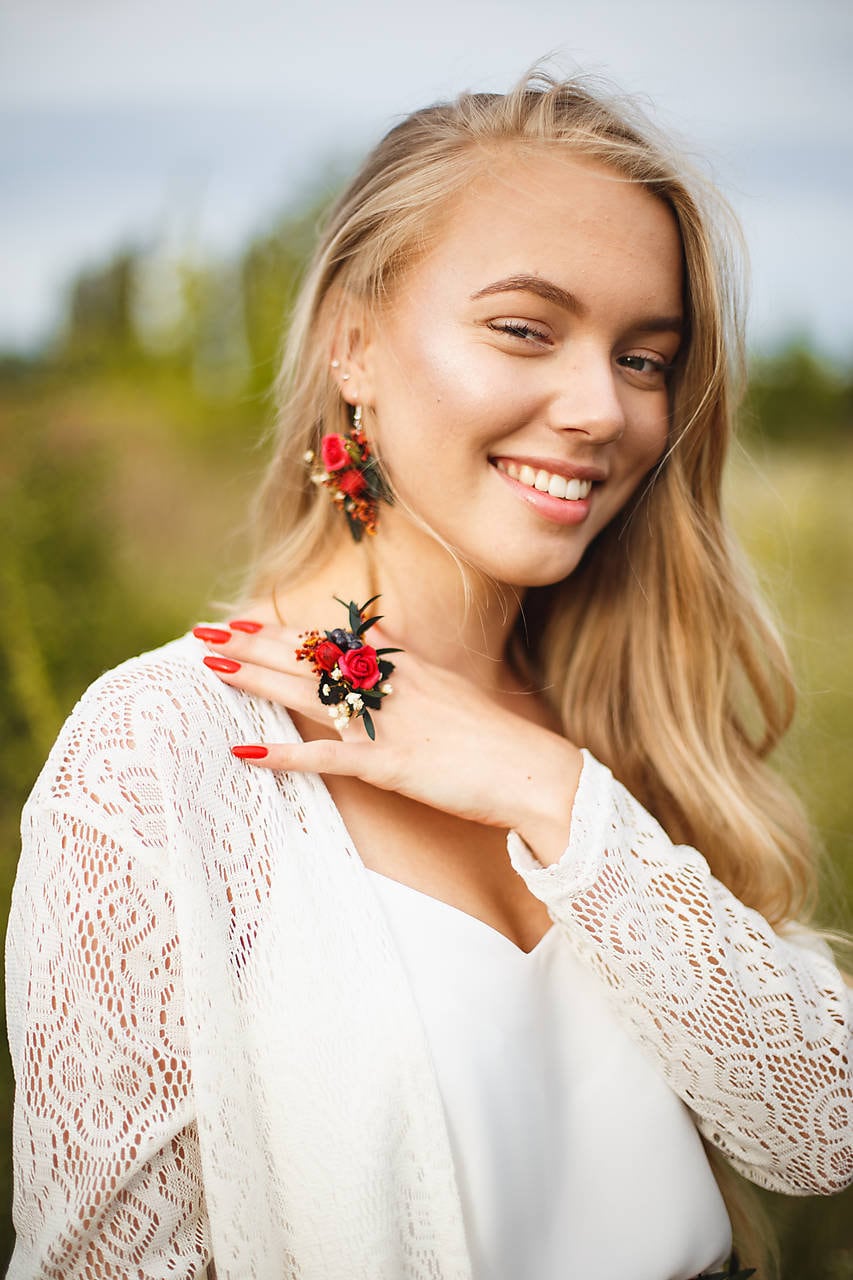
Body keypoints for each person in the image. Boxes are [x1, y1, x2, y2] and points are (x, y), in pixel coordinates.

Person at [6, 69, 852, 1280]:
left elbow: (821, 1131)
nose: (597, 408)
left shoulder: (633, 715)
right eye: (524, 328)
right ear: (354, 340)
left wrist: (548, 785)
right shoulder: (161, 752)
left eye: (646, 357)